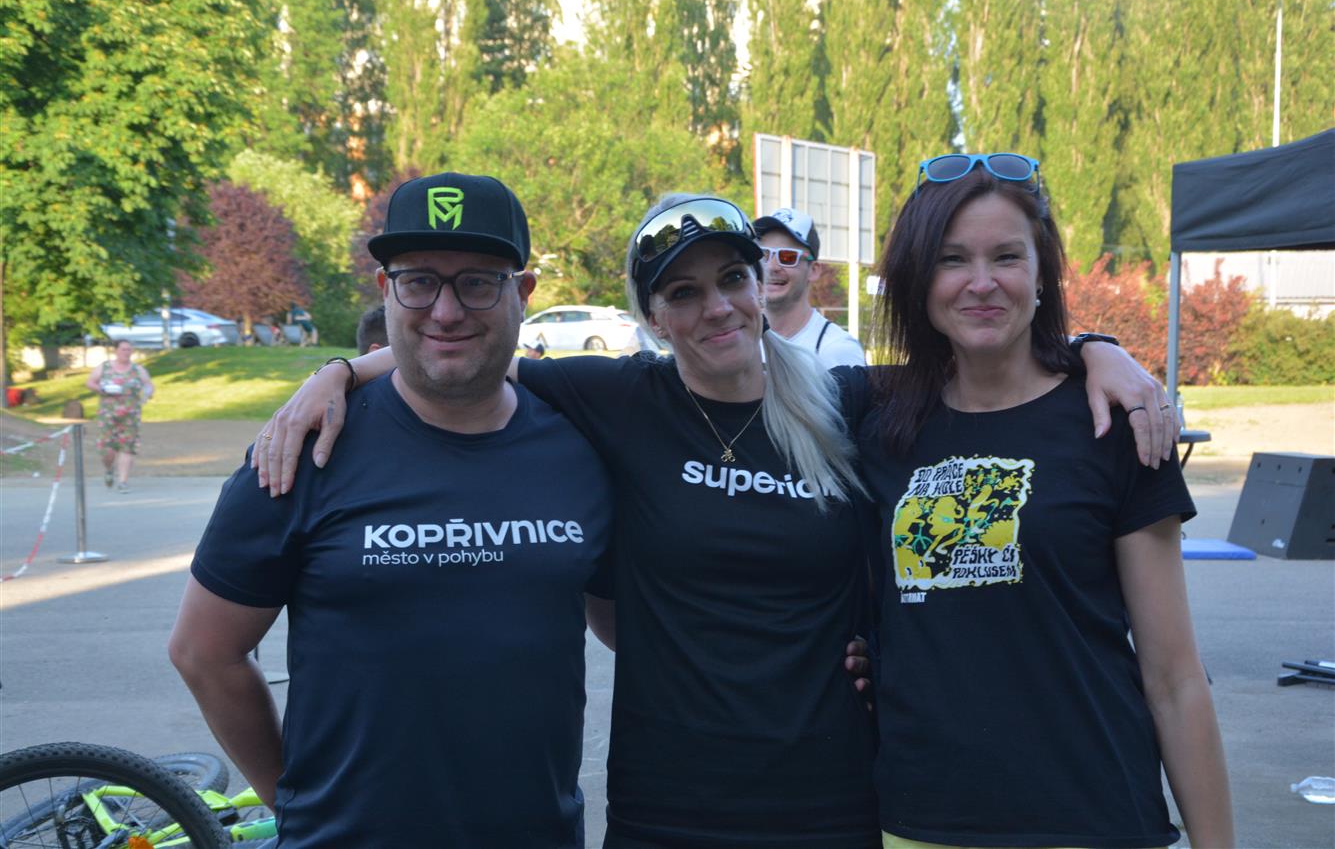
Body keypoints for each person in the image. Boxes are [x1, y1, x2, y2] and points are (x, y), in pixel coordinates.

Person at [255, 192, 1173, 848]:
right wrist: (336, 373)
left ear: (761, 284)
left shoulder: (846, 400)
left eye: (731, 278)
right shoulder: (618, 398)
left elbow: (991, 363)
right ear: (652, 316)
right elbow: (466, 350)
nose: (716, 307)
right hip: (669, 801)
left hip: (831, 795)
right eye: (682, 292)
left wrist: (1097, 350)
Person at [169, 172, 615, 847]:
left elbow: (630, 628)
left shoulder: (580, 447)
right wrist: (297, 802)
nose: (445, 311)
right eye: (419, 281)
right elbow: (205, 652)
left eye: (477, 282)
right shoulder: (304, 448)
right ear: (385, 289)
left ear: (522, 293)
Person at [853, 152, 1233, 848]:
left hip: (1089, 814)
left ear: (1040, 275)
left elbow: (1174, 676)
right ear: (918, 278)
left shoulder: (1112, 426)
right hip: (921, 820)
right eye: (951, 259)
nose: (981, 283)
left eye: (1006, 256)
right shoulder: (879, 422)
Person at [755, 207, 866, 368]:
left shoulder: (838, 350)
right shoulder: (740, 341)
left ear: (813, 270)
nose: (771, 267)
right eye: (763, 254)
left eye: (788, 257)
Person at [84, 339, 153, 492]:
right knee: (108, 450)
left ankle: (123, 482)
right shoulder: (105, 367)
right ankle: (109, 469)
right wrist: (102, 389)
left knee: (127, 447)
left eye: (129, 349)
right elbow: (90, 382)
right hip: (108, 415)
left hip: (130, 415)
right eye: (123, 349)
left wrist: (147, 394)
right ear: (116, 350)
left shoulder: (137, 369)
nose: (126, 352)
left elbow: (148, 385)